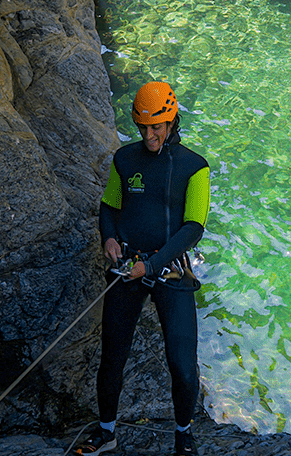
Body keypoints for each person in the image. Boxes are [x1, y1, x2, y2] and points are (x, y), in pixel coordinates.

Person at [74, 81, 210, 456]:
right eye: (143, 128)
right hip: (128, 265)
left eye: (157, 127)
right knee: (112, 357)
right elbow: (109, 207)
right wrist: (109, 239)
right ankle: (106, 432)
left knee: (182, 365)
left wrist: (150, 264)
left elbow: (193, 228)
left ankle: (184, 436)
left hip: (171, 270)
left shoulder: (195, 167)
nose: (149, 135)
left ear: (172, 122)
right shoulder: (125, 160)